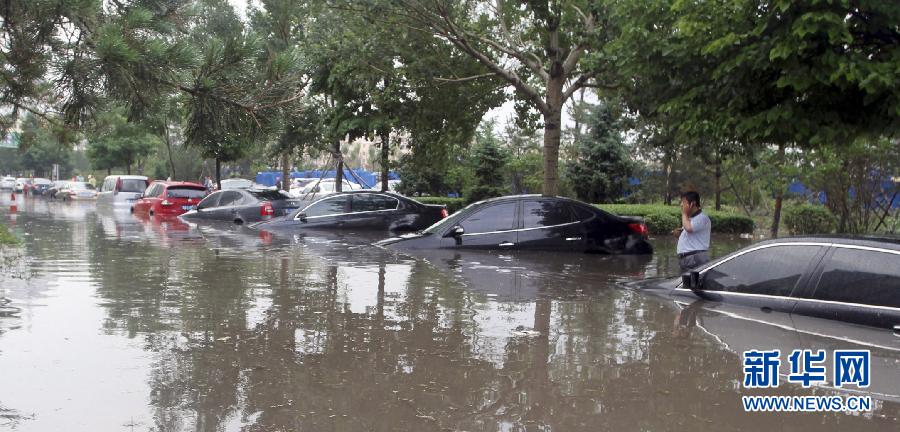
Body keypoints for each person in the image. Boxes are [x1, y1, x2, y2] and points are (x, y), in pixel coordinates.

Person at [674, 191, 711, 272]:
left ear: (692, 203)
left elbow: (689, 228)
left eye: (683, 202)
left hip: (694, 259)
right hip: (689, 259)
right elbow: (689, 232)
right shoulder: (691, 218)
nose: (681, 205)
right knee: (686, 283)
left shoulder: (702, 218)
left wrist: (684, 213)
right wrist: (679, 234)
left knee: (693, 284)